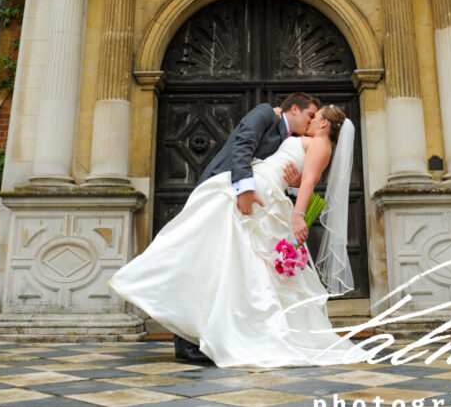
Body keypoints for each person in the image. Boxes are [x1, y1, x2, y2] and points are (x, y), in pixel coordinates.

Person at [109, 105, 363, 368]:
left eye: (315, 117)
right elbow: (294, 171)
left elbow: (309, 182)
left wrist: (298, 214)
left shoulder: (321, 144)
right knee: (222, 252)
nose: (310, 121)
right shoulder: (297, 134)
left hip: (264, 193)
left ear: (324, 125)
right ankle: (184, 308)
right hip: (256, 186)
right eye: (310, 114)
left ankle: (223, 325)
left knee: (236, 259)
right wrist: (294, 178)